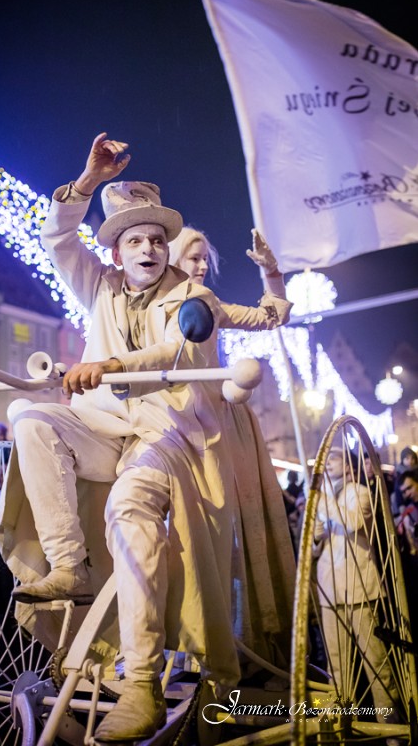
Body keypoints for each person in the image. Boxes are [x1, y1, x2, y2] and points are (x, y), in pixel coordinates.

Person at [0, 133, 292, 742]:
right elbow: (57, 239)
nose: (149, 248)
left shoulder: (193, 295)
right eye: (135, 240)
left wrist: (271, 274)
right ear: (117, 251)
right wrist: (86, 182)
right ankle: (69, 565)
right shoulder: (99, 284)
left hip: (170, 430)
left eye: (157, 239)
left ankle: (142, 681)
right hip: (106, 424)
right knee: (28, 414)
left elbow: (184, 347)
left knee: (129, 509)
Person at [169, 225, 298, 664]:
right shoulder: (146, 306)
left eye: (205, 258)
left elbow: (271, 315)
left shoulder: (209, 304)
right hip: (170, 424)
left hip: (220, 422)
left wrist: (271, 271)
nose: (202, 265)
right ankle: (182, 644)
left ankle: (241, 640)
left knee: (233, 530)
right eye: (194, 257)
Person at [314, 446, 400, 717]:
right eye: (327, 458)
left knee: (375, 661)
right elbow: (315, 548)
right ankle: (340, 721)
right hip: (330, 587)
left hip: (360, 588)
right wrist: (316, 533)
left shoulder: (360, 492)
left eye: (335, 458)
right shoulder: (324, 498)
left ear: (348, 467)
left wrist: (325, 504)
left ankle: (389, 723)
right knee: (336, 664)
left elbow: (354, 523)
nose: (328, 462)